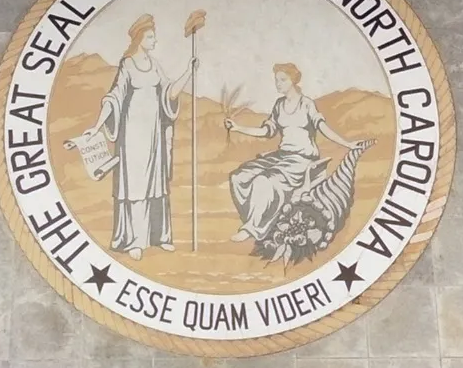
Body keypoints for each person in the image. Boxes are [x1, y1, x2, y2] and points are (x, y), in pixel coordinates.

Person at [79, 15, 189, 260]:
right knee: (136, 184)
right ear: (139, 38)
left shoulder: (155, 64)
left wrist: (188, 72)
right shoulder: (127, 65)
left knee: (155, 181)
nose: (155, 40)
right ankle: (135, 240)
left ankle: (159, 236)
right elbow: (114, 97)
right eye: (151, 36)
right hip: (132, 134)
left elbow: (169, 92)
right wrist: (97, 126)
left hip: (154, 132)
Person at [224, 63, 365, 249]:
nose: (278, 84)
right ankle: (257, 220)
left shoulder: (306, 104)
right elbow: (267, 131)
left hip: (301, 159)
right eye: (276, 80)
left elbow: (323, 128)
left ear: (293, 80)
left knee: (264, 182)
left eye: (282, 80)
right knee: (238, 177)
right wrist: (238, 128)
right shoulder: (279, 105)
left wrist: (346, 144)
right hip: (282, 157)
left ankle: (252, 228)